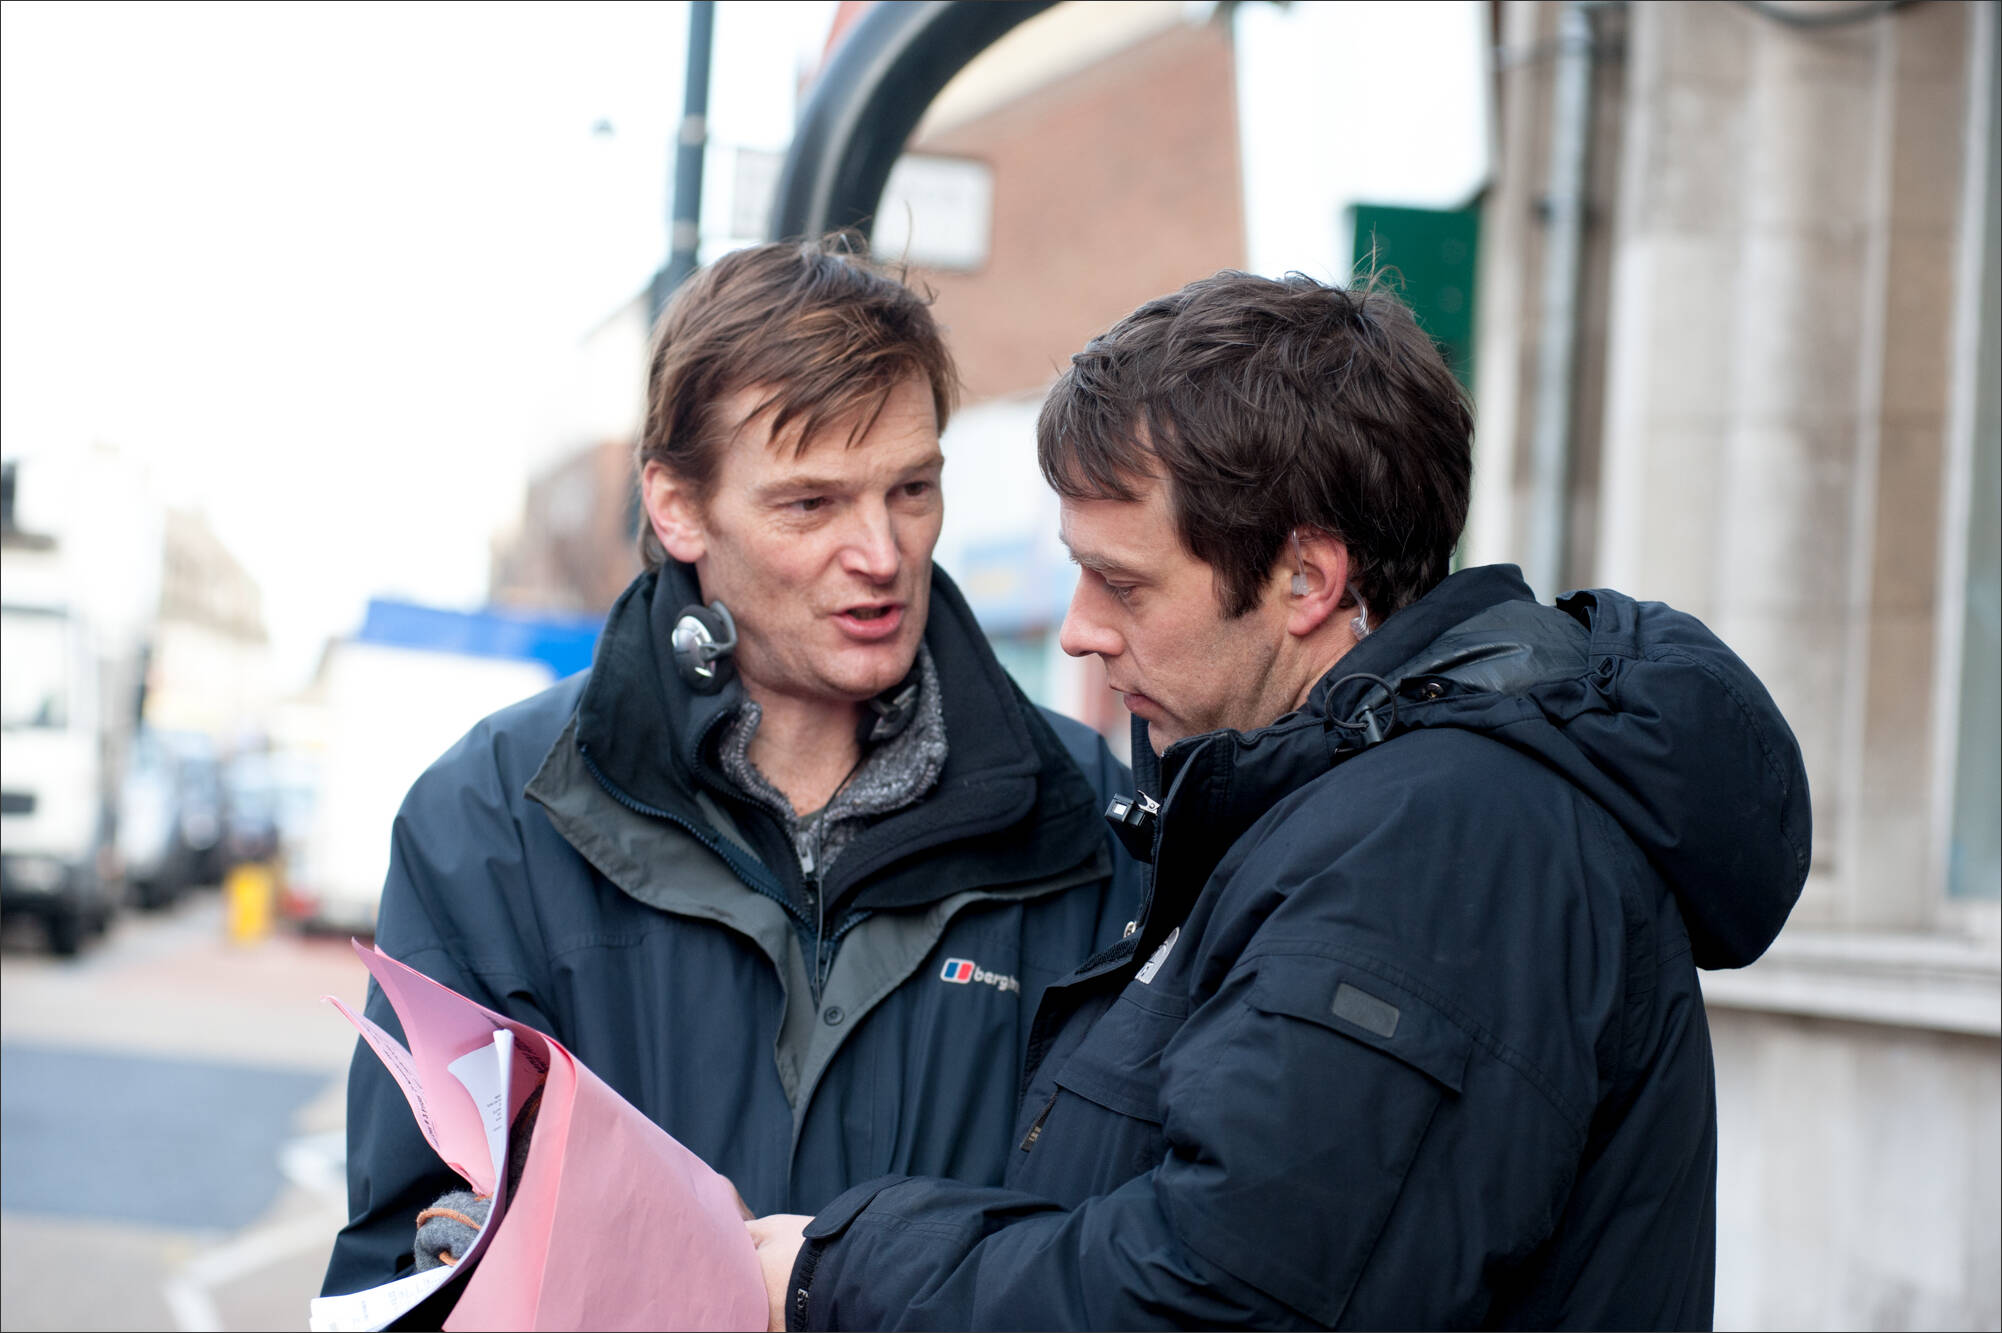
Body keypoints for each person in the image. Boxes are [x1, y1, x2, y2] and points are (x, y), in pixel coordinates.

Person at [747, 271, 1810, 1330]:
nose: (1078, 630)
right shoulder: (1354, 810)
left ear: (1307, 580)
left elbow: (1221, 1294)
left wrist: (847, 1270)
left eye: (1122, 583)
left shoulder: (1442, 846)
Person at [321, 238, 1144, 1297]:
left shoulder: (1091, 820)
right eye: (811, 504)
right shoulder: (489, 818)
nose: (882, 553)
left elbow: (1135, 1255)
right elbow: (402, 1262)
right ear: (677, 508)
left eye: (911, 488)